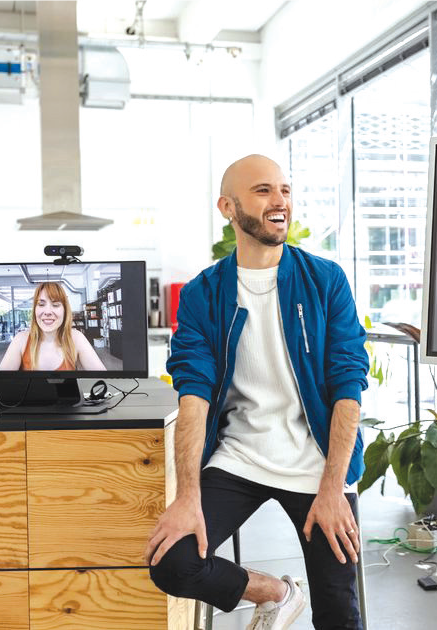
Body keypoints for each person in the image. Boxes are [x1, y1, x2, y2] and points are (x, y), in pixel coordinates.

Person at [145, 154, 369, 629]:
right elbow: (193, 396)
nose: (279, 200)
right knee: (173, 562)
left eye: (284, 190)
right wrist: (187, 496)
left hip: (318, 464)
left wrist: (333, 489)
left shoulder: (325, 280)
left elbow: (348, 387)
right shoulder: (203, 294)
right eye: (263, 190)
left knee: (338, 614)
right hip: (240, 457)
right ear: (228, 207)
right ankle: (275, 593)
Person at [0, 281, 105, 371]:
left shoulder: (76, 338)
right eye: (41, 304)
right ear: (35, 310)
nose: (47, 312)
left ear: (65, 310)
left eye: (55, 305)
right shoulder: (21, 339)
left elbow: (104, 381)